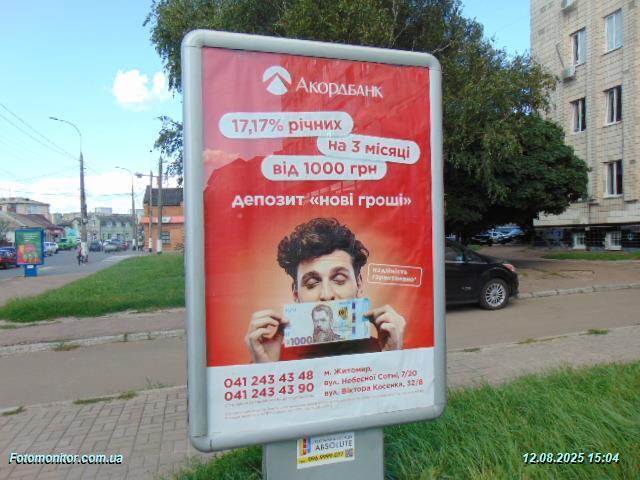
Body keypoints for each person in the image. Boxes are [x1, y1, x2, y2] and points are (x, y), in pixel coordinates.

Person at [245, 217, 406, 363]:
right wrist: (265, 370)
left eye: (339, 280)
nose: (326, 295)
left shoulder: (386, 352)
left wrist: (392, 361)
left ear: (359, 285)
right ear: (296, 294)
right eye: (311, 283)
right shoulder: (271, 359)